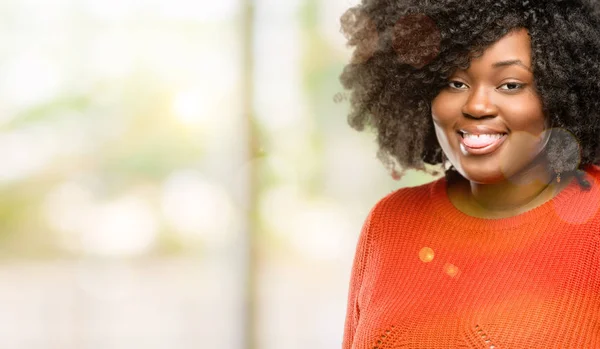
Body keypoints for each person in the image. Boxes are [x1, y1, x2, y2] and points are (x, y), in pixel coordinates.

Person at [339, 0, 600, 348]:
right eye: (454, 82)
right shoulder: (388, 224)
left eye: (510, 84)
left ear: (562, 91)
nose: (476, 106)